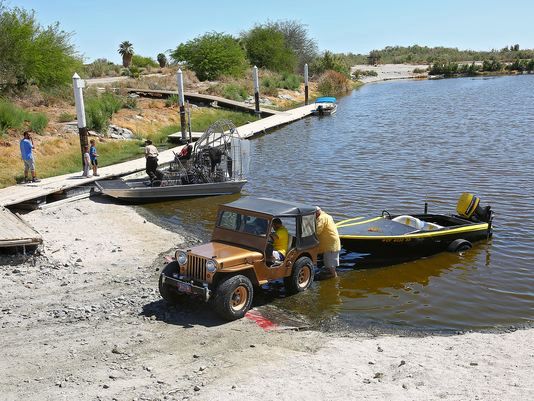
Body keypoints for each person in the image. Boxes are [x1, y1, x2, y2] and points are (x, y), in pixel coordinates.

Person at [315, 206, 341, 278]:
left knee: (329, 262)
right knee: (331, 260)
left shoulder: (321, 218)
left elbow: (317, 231)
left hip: (330, 243)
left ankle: (334, 275)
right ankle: (331, 273)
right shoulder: (327, 216)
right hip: (334, 241)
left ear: (317, 213)